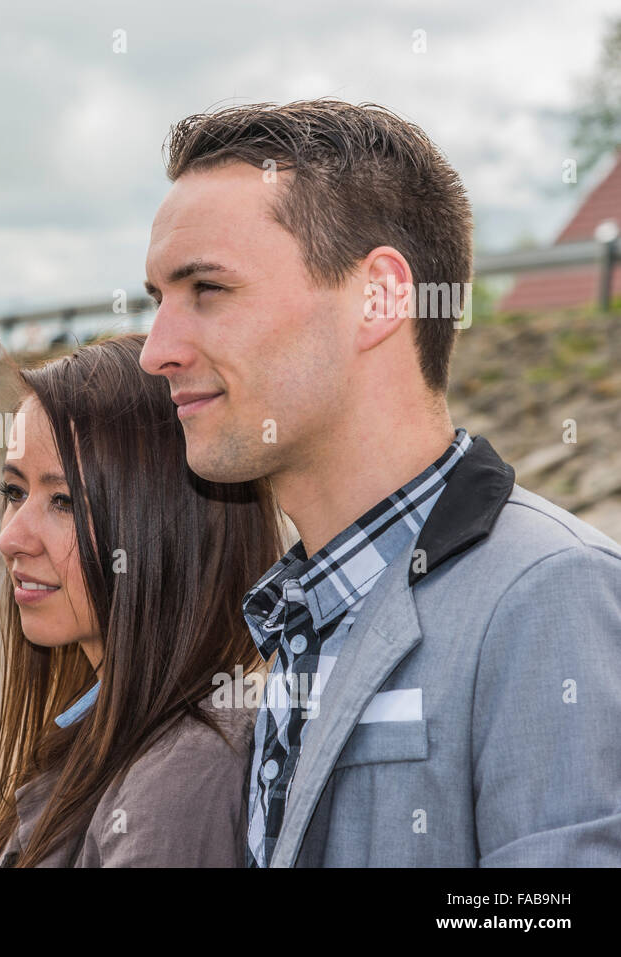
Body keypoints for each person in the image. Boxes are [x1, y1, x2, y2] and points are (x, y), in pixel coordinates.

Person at [139, 99, 621, 867]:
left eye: (208, 290)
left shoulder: (549, 592)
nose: (155, 349)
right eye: (156, 298)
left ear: (380, 297)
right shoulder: (293, 614)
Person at [0, 334, 285, 867]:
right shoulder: (101, 729)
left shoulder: (183, 769)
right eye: (14, 492)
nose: (10, 538)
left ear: (165, 525)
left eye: (65, 501)